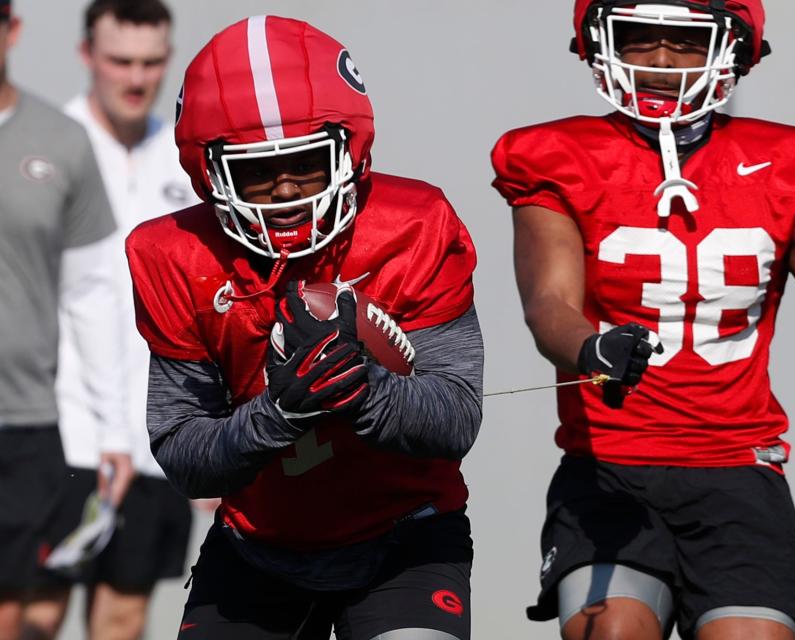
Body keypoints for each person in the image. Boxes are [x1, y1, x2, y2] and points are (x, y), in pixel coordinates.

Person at [490, 2, 795, 639]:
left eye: (685, 43)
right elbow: (548, 306)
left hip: (739, 470)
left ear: (735, 51)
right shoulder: (558, 157)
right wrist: (593, 347)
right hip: (609, 468)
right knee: (613, 633)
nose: (660, 63)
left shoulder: (784, 164)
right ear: (598, 43)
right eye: (639, 39)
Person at [126, 15, 482, 640]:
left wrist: (363, 391)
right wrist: (280, 416)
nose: (287, 191)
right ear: (210, 174)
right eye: (257, 173)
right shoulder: (174, 254)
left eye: (308, 165)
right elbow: (184, 454)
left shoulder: (416, 224)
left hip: (406, 532)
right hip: (259, 546)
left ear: (350, 151)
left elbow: (455, 418)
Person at [24, 1, 197, 638]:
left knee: (123, 618)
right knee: (32, 615)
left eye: (152, 62)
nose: (136, 77)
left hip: (155, 434)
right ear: (86, 55)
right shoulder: (40, 152)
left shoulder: (185, 163)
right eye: (120, 60)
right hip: (54, 432)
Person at [0, 1, 129, 638]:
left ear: (11, 29)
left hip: (29, 419)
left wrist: (113, 431)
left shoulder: (59, 141)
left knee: (27, 611)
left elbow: (91, 296)